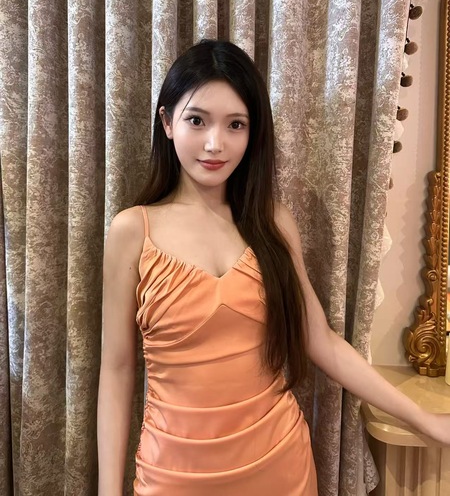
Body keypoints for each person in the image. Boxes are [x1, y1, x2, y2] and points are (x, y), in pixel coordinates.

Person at [97, 39, 450, 496]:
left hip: (279, 465)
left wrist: (425, 420)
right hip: (173, 472)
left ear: (253, 132)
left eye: (236, 124)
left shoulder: (273, 223)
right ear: (167, 122)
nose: (215, 143)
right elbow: (117, 370)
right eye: (197, 120)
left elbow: (321, 341)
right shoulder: (132, 230)